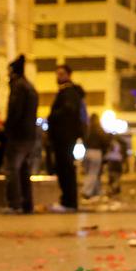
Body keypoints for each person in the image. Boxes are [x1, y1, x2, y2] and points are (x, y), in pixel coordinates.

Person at [46, 64, 86, 213]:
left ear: (69, 75)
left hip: (64, 137)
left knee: (65, 169)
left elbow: (67, 112)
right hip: (64, 137)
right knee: (65, 169)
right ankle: (68, 201)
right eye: (57, 74)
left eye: (62, 74)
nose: (58, 77)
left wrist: (53, 117)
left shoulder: (68, 93)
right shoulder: (67, 92)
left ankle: (68, 202)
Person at [2, 54, 38, 214]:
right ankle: (27, 204)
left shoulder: (18, 87)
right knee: (24, 169)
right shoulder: (30, 87)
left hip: (18, 135)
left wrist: (7, 129)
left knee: (12, 169)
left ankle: (14, 204)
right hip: (30, 134)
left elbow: (14, 112)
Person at [81, 114, 107, 201]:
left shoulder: (88, 129)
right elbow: (105, 141)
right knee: (93, 173)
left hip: (87, 151)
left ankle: (96, 191)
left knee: (89, 172)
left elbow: (84, 140)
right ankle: (86, 191)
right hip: (96, 151)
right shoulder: (99, 129)